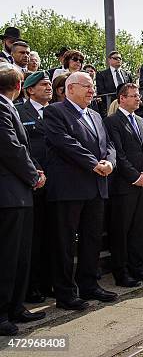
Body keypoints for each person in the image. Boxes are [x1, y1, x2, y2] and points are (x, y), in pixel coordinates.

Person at [44, 72, 118, 310]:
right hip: (69, 189)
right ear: (71, 88)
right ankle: (65, 293)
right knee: (65, 243)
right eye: (87, 86)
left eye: (92, 86)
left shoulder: (96, 115)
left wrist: (109, 162)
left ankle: (89, 284)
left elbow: (108, 144)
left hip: (96, 187)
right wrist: (93, 163)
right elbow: (64, 142)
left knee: (92, 239)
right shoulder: (55, 112)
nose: (92, 90)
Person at [0, 63, 47, 336]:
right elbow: (11, 148)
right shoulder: (2, 108)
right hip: (8, 194)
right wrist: (34, 175)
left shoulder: (8, 108)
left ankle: (16, 306)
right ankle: (2, 312)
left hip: (19, 193)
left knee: (20, 255)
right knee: (8, 256)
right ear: (19, 86)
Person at [104, 83, 143, 287]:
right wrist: (134, 176)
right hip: (124, 186)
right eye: (134, 96)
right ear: (122, 98)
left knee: (138, 229)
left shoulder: (142, 122)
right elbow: (117, 153)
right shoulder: (111, 122)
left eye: (139, 96)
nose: (139, 99)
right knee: (121, 230)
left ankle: (138, 268)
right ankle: (121, 272)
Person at [16, 71, 54, 303]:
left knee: (54, 236)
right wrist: (38, 171)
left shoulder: (58, 111)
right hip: (34, 182)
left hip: (58, 183)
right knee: (34, 238)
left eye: (49, 84)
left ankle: (50, 282)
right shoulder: (19, 112)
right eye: (42, 84)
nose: (48, 87)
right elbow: (23, 149)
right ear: (29, 90)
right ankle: (32, 286)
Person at [96, 51, 134, 117]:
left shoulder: (127, 74)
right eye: (116, 58)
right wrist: (117, 101)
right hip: (110, 107)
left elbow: (132, 89)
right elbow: (101, 92)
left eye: (120, 58)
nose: (118, 60)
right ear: (109, 60)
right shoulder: (101, 74)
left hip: (127, 105)